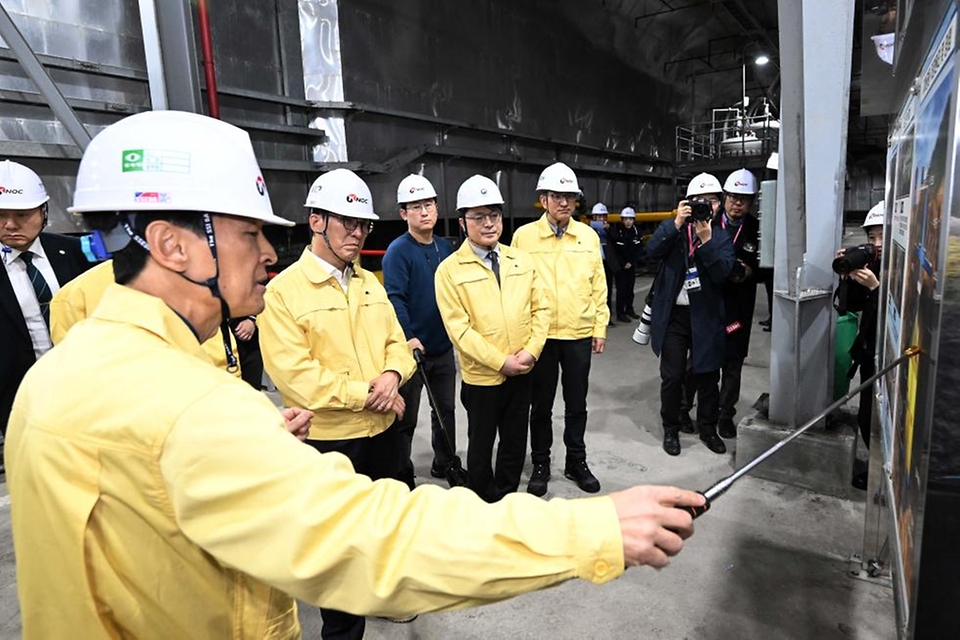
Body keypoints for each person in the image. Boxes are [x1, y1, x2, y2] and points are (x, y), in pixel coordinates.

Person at [6, 110, 704, 640]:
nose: (268, 253)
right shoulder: (191, 407)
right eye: (250, 233)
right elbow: (372, 541)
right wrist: (588, 532)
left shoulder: (59, 375)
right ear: (172, 244)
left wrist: (251, 440)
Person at [258, 168, 417, 636]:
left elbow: (397, 344)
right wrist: (372, 394)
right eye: (347, 221)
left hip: (382, 434)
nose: (357, 232)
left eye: (363, 224)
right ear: (316, 221)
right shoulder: (283, 293)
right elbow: (298, 377)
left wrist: (393, 375)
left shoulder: (369, 283)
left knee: (382, 529)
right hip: (330, 445)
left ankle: (380, 596)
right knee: (339, 549)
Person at [48, 259, 311, 440]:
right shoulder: (77, 296)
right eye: (248, 234)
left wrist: (251, 423)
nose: (267, 254)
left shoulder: (196, 277)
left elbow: (217, 368)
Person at [435, 175, 549, 502]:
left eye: (494, 215)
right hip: (483, 378)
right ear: (462, 222)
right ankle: (482, 503)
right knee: (481, 447)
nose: (489, 223)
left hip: (522, 370)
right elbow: (459, 330)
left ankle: (507, 499)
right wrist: (501, 362)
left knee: (514, 443)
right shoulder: (450, 270)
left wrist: (531, 351)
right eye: (479, 216)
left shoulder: (521, 260)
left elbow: (542, 309)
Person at [512, 162, 608, 496]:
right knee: (540, 406)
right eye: (556, 196)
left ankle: (576, 461)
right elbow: (515, 288)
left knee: (576, 404)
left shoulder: (588, 236)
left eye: (570, 196)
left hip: (578, 334)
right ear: (543, 199)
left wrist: (600, 326)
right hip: (540, 338)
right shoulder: (524, 238)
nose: (564, 202)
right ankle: (541, 463)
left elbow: (599, 285)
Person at [382, 173, 464, 487]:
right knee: (406, 416)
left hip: (442, 347)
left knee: (445, 410)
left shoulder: (445, 247)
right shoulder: (398, 251)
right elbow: (395, 298)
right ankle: (401, 472)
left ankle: (445, 463)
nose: (424, 212)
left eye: (428, 204)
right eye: (416, 207)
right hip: (412, 351)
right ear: (403, 213)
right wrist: (409, 337)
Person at [646, 172, 735, 457]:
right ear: (687, 204)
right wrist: (674, 223)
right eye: (699, 201)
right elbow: (651, 251)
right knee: (672, 377)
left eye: (712, 201)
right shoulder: (674, 232)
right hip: (675, 316)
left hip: (706, 316)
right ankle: (671, 429)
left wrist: (707, 242)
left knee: (708, 375)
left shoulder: (720, 237)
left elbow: (722, 274)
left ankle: (708, 429)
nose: (705, 207)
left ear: (718, 205)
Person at [1, 160, 91, 435]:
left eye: (22, 214)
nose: (10, 225)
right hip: (18, 400)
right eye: (0, 215)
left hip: (84, 388)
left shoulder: (75, 252)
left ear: (43, 212)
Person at [836, 200, 884, 490]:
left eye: (882, 236)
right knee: (866, 416)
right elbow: (850, 307)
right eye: (871, 237)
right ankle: (877, 468)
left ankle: (885, 475)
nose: (876, 244)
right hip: (869, 352)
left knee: (888, 421)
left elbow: (897, 314)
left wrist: (876, 288)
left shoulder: (909, 269)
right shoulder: (872, 264)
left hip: (892, 356)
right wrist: (848, 278)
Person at [715, 169, 761, 439]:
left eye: (744, 199)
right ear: (725, 198)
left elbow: (766, 268)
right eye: (733, 197)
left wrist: (749, 271)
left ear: (752, 201)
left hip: (738, 312)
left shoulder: (757, 229)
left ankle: (725, 415)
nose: (737, 204)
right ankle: (696, 409)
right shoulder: (708, 223)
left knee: (732, 364)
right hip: (710, 306)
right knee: (701, 361)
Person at [590, 202, 620, 326]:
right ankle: (594, 317)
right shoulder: (589, 230)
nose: (601, 219)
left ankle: (607, 317)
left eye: (603, 216)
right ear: (594, 217)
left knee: (607, 291)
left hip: (607, 264)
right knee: (593, 292)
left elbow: (617, 239)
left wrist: (609, 229)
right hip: (593, 265)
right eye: (598, 216)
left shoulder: (610, 230)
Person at [613, 206, 645, 322]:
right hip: (620, 266)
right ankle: (620, 313)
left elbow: (639, 249)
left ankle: (629, 309)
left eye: (630, 219)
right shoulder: (618, 232)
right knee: (621, 290)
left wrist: (631, 262)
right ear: (622, 220)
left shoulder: (636, 232)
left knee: (630, 290)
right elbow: (616, 251)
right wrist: (623, 263)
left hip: (631, 265)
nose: (628, 222)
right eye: (626, 219)